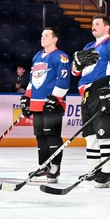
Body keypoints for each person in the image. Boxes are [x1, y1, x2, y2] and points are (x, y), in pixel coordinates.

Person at [71, 15, 110, 187]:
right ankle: (93, 170)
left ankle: (106, 172)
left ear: (107, 27)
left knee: (105, 134)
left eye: (97, 24)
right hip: (86, 95)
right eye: (92, 24)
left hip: (102, 93)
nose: (93, 26)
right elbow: (75, 72)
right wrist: (77, 64)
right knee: (90, 136)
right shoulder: (88, 46)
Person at [21, 26, 72, 183]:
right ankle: (44, 166)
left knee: (52, 136)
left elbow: (63, 80)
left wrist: (55, 98)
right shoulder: (37, 56)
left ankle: (55, 167)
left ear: (55, 39)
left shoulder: (61, 57)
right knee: (41, 137)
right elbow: (32, 80)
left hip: (53, 104)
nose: (43, 37)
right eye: (42, 35)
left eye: (47, 35)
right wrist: (27, 98)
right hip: (37, 104)